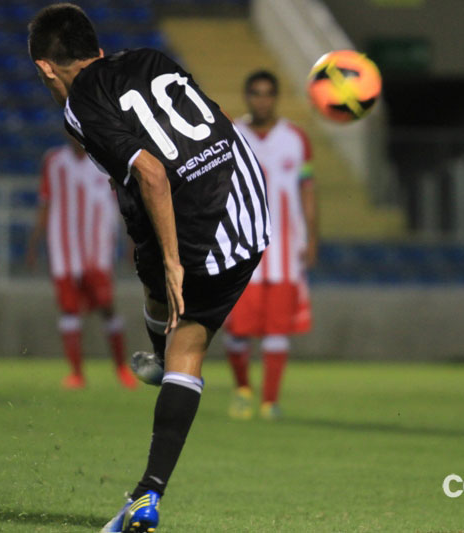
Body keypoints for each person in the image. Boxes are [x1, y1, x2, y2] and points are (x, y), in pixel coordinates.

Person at [28, 4, 270, 532]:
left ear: (46, 67)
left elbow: (154, 175)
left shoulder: (79, 107)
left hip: (202, 225)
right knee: (149, 263)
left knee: (187, 343)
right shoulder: (150, 57)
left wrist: (175, 261)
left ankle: (147, 494)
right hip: (249, 200)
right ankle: (162, 359)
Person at [224, 70, 318, 421]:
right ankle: (242, 390)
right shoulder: (232, 135)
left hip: (284, 252)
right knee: (238, 330)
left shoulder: (296, 138)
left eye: (267, 93)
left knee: (278, 329)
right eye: (255, 93)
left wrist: (311, 238)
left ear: (275, 98)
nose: (261, 100)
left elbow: (307, 191)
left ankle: (270, 401)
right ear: (247, 96)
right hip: (242, 250)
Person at [26, 135, 137, 390]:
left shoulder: (105, 162)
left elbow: (123, 205)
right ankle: (76, 374)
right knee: (69, 310)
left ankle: (121, 369)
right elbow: (45, 203)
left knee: (107, 306)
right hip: (64, 251)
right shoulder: (54, 161)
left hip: (97, 252)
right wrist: (34, 244)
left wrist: (132, 242)